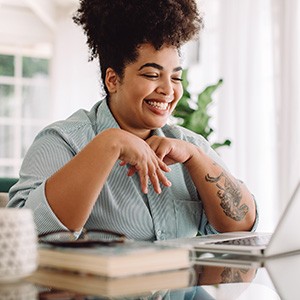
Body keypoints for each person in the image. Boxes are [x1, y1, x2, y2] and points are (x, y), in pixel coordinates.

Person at [8, 0, 258, 240]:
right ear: (113, 80)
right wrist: (109, 144)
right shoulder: (62, 141)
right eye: (152, 74)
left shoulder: (189, 146)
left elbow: (242, 228)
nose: (168, 90)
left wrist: (196, 159)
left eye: (176, 78)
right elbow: (23, 235)